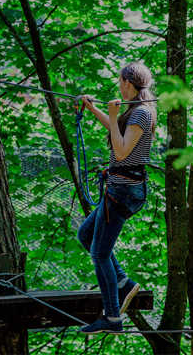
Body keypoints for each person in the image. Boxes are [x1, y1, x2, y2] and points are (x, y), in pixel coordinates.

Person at [77, 62, 157, 334]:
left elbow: (121, 151)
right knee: (86, 235)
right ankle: (123, 282)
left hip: (123, 191)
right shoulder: (134, 110)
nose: (118, 86)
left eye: (120, 81)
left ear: (127, 82)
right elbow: (118, 133)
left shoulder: (141, 113)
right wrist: (94, 109)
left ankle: (112, 318)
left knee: (99, 254)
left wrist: (113, 116)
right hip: (121, 188)